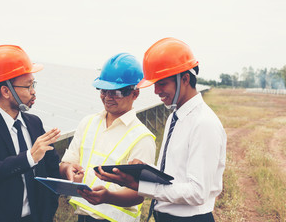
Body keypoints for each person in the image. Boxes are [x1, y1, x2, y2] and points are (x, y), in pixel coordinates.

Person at [95, 38, 227, 222]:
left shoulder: (204, 123)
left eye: (162, 83)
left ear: (185, 79)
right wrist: (144, 170)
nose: (156, 91)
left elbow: (198, 192)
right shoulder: (176, 116)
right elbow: (175, 174)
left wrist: (139, 185)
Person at [0, 45, 61, 222]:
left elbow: (52, 167)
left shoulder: (34, 122)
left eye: (34, 84)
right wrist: (29, 157)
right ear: (6, 91)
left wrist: (68, 171)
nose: (33, 91)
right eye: (28, 86)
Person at [59, 53, 156, 222]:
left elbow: (139, 193)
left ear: (135, 94)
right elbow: (66, 163)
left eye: (117, 92)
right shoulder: (87, 123)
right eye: (104, 90)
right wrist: (68, 171)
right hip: (83, 215)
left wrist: (108, 197)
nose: (108, 97)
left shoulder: (142, 137)